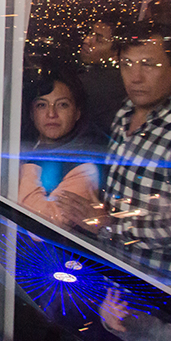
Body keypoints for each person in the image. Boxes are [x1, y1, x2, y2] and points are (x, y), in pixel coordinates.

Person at [58, 19, 171, 281]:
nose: (135, 77)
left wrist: (108, 225)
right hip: (116, 272)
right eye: (127, 64)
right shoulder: (124, 114)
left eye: (148, 64)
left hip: (155, 282)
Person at [17, 70, 104, 227]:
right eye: (42, 105)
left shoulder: (84, 166)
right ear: (31, 113)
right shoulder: (26, 144)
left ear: (77, 112)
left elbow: (47, 221)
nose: (51, 114)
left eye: (62, 105)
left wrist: (24, 167)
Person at [78, 18, 127, 133]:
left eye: (99, 40)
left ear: (116, 53)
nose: (87, 41)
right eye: (90, 34)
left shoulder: (100, 84)